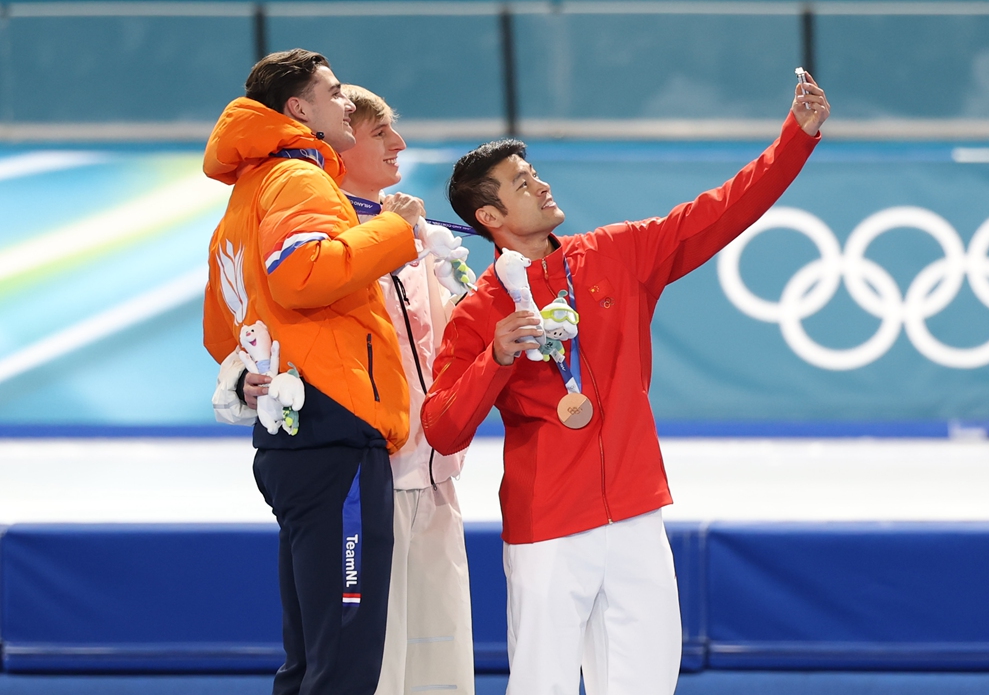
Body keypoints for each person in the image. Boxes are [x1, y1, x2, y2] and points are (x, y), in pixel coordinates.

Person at [421, 74, 830, 694]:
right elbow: (442, 429)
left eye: (535, 174)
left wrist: (796, 138)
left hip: (635, 514)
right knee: (542, 686)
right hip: (548, 525)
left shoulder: (617, 254)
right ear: (490, 216)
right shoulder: (480, 313)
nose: (542, 185)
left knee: (645, 683)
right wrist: (497, 356)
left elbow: (719, 212)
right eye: (522, 185)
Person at [211, 83, 478, 695]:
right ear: (341, 139)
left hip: (434, 479)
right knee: (357, 662)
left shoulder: (417, 235)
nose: (399, 144)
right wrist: (243, 375)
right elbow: (256, 315)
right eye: (381, 132)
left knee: (437, 669)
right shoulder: (306, 217)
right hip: (365, 466)